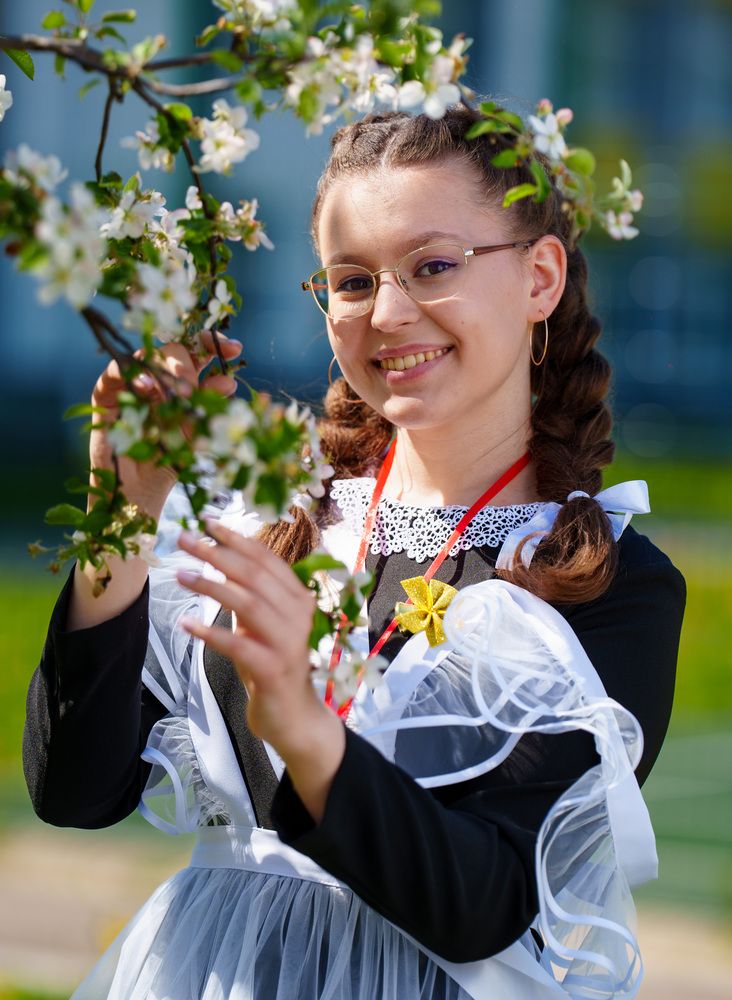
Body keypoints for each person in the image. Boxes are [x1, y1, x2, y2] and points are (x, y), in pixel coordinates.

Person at [23, 105, 686, 999]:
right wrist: (123, 519)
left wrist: (306, 732)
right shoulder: (264, 524)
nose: (391, 313)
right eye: (351, 279)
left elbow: (482, 900)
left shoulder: (601, 581)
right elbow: (75, 793)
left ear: (540, 277)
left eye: (434, 266)